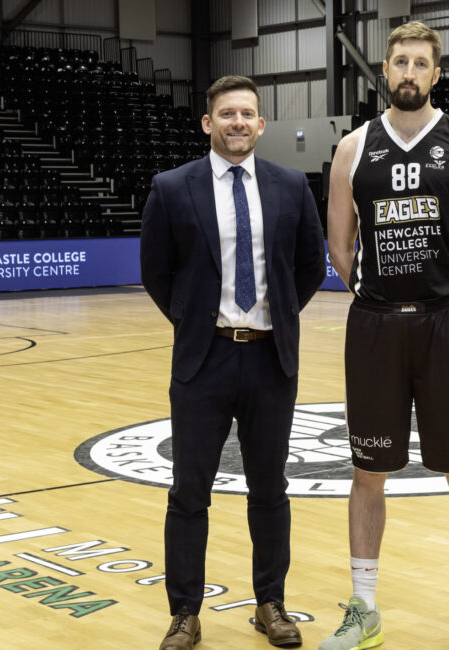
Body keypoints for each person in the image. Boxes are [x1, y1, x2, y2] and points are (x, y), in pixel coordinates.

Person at [318, 20, 449, 650]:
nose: (408, 72)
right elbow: (340, 248)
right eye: (399, 61)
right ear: (385, 69)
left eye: (420, 63)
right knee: (367, 470)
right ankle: (364, 607)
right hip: (375, 326)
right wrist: (378, 299)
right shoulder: (353, 149)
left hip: (447, 327)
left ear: (436, 74)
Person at [140, 74, 326, 650]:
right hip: (204, 361)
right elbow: (156, 272)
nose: (237, 123)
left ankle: (270, 603)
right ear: (207, 123)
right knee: (188, 492)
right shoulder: (172, 187)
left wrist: (276, 319)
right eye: (227, 114)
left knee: (270, 489)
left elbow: (310, 266)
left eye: (247, 114)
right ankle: (185, 613)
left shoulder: (291, 185)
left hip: (270, 359)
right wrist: (198, 322)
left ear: (262, 123)